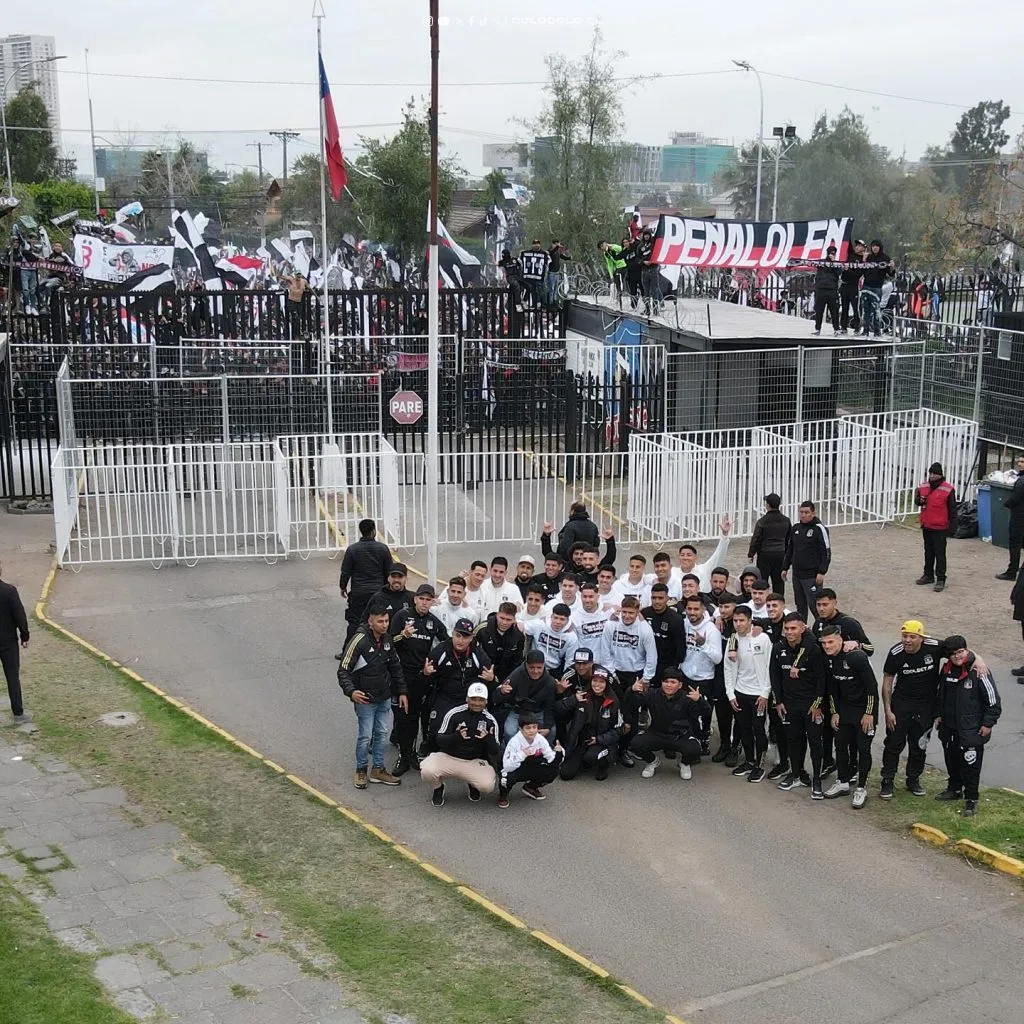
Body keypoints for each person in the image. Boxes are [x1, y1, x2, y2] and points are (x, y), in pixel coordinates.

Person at [337, 599, 407, 789]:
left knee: (381, 734)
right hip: (365, 699)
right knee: (365, 736)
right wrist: (351, 692)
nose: (384, 625)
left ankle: (378, 769)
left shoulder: (387, 640)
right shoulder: (359, 640)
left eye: (386, 621)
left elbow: (395, 666)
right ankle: (361, 770)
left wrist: (402, 691)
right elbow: (343, 670)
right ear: (370, 622)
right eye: (380, 621)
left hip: (384, 697)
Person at [935, 635, 1001, 816]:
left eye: (960, 652)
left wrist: (988, 723)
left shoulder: (979, 670)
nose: (957, 656)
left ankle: (971, 799)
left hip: (971, 730)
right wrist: (938, 715)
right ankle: (954, 789)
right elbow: (941, 694)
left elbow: (993, 702)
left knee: (971, 767)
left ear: (966, 650)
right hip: (948, 727)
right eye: (953, 654)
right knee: (951, 761)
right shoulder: (946, 669)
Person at [879, 620, 943, 799]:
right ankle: (887, 780)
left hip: (926, 706)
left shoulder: (935, 646)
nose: (907, 640)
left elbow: (958, 649)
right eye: (904, 636)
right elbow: (887, 682)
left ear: (921, 638)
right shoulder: (896, 652)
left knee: (919, 745)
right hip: (902, 704)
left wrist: (978, 660)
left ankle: (913, 780)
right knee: (893, 744)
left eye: (912, 637)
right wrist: (888, 710)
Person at [389, 584, 448, 773]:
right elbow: (388, 642)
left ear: (432, 602)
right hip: (401, 675)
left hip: (422, 676)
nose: (424, 602)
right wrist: (402, 635)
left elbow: (447, 643)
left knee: (415, 716)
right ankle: (403, 756)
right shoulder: (402, 616)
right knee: (402, 717)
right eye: (421, 598)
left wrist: (434, 664)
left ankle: (412, 754)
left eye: (428, 599)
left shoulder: (433, 622)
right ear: (415, 599)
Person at [820, 625, 878, 808]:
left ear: (840, 640)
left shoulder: (856, 657)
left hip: (864, 710)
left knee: (863, 749)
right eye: (824, 643)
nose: (827, 646)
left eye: (831, 642)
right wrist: (835, 712)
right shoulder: (829, 660)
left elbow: (872, 688)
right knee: (841, 746)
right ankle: (843, 782)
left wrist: (869, 713)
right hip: (845, 710)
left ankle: (861, 788)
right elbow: (832, 690)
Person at [771, 614, 827, 798]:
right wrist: (778, 701)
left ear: (802, 628)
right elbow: (775, 676)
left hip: (811, 706)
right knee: (793, 741)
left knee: (815, 742)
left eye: (793, 628)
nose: (789, 632)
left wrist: (817, 704)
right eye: (786, 629)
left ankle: (816, 780)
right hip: (789, 705)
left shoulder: (814, 650)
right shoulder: (778, 648)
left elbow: (822, 680)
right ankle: (796, 774)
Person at [421, 682, 501, 807]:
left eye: (481, 700)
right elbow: (439, 739)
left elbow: (495, 751)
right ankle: (438, 788)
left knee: (487, 785)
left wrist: (488, 738)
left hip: (473, 761)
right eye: (473, 699)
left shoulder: (490, 721)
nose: (476, 703)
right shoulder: (454, 713)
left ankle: (472, 784)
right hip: (449, 758)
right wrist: (456, 737)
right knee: (427, 771)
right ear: (467, 699)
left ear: (486, 702)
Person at [626, 668, 707, 780]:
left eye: (673, 682)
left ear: (680, 685)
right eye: (666, 681)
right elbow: (632, 704)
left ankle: (684, 764)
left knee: (695, 749)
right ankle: (652, 762)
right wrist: (632, 690)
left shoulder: (687, 698)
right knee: (636, 743)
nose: (668, 685)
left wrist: (700, 700)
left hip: (680, 736)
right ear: (661, 682)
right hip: (656, 733)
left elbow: (706, 713)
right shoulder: (653, 694)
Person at [425, 619, 494, 745]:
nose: (460, 641)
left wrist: (491, 679)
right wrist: (425, 674)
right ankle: (430, 750)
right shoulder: (441, 650)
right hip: (445, 696)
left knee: (470, 731)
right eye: (458, 635)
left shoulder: (478, 654)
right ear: (452, 633)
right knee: (435, 728)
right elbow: (425, 680)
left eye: (465, 637)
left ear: (471, 638)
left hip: (467, 700)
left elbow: (489, 683)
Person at [724, 605, 773, 783]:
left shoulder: (763, 638)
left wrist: (765, 693)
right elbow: (727, 669)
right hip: (740, 693)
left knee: (759, 729)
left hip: (758, 695)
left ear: (750, 620)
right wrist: (731, 694)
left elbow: (769, 667)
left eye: (741, 620)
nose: (738, 624)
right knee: (743, 728)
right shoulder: (732, 640)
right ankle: (749, 761)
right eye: (735, 621)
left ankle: (759, 766)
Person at [337, 519, 393, 654]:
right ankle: (382, 649)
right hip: (378, 593)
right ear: (374, 531)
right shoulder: (383, 549)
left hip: (358, 593)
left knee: (355, 623)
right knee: (380, 622)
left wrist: (343, 587)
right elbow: (389, 572)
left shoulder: (352, 549)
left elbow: (345, 571)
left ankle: (348, 651)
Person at [558, 666, 622, 781]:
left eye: (601, 681)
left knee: (591, 757)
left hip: (602, 742)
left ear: (607, 684)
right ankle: (583, 761)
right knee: (565, 774)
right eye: (595, 680)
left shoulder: (614, 702)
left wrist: (599, 739)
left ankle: (603, 766)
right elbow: (558, 709)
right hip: (583, 741)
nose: (597, 684)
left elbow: (619, 730)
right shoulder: (583, 697)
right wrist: (572, 699)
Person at [680, 595, 723, 754]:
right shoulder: (684, 623)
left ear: (703, 609)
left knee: (704, 712)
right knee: (687, 711)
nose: (692, 612)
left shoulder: (711, 630)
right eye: (689, 609)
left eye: (696, 609)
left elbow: (718, 658)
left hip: (705, 679)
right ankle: (691, 737)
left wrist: (703, 644)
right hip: (686, 675)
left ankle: (704, 738)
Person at [498, 713, 564, 807]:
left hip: (531, 764)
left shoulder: (540, 739)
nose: (532, 731)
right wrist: (522, 754)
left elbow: (551, 760)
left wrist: (559, 753)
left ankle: (530, 787)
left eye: (534, 727)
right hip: (514, 766)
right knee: (506, 777)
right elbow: (507, 766)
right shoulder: (514, 742)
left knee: (553, 771)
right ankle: (503, 795)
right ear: (521, 729)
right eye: (528, 728)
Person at [782, 501, 831, 622]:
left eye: (806, 512)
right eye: (801, 512)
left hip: (811, 575)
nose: (803, 515)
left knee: (815, 606)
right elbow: (790, 549)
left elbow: (826, 552)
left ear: (813, 513)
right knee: (800, 605)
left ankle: (822, 628)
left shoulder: (819, 529)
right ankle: (801, 630)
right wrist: (785, 567)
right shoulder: (796, 528)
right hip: (797, 574)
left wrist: (822, 572)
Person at [493, 650, 557, 741]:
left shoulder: (550, 681)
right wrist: (502, 692)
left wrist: (547, 726)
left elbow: (549, 705)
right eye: (532, 667)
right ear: (526, 665)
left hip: (538, 711)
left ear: (544, 666)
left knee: (552, 731)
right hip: (518, 710)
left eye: (539, 667)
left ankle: (546, 752)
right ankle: (511, 752)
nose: (535, 671)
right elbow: (495, 698)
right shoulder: (516, 675)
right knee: (509, 731)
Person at [914, 462, 957, 592]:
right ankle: (928, 574)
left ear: (940, 475)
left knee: (940, 553)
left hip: (940, 527)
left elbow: (953, 510)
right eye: (930, 473)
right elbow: (916, 501)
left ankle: (941, 578)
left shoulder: (948, 489)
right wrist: (919, 501)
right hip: (927, 525)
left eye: (934, 474)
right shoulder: (923, 487)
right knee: (928, 551)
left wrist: (952, 528)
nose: (932, 476)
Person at [0, 564, 30, 724]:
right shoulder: (9, 592)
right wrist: (24, 636)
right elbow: (19, 615)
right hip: (7, 642)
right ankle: (18, 713)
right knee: (12, 676)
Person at [671, 517, 732, 592]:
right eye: (682, 555)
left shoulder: (704, 570)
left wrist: (724, 536)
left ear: (696, 557)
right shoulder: (672, 572)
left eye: (689, 555)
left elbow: (718, 556)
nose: (685, 558)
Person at [747, 493, 792, 596]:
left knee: (762, 582)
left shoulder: (762, 521)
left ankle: (762, 602)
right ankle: (779, 602)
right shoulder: (786, 520)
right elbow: (789, 539)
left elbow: (756, 539)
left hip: (764, 555)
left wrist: (751, 554)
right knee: (779, 583)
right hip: (780, 554)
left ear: (767, 505)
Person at [642, 583, 687, 685]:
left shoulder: (676, 620)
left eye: (660, 598)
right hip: (645, 664)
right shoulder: (644, 614)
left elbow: (680, 649)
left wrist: (672, 670)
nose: (657, 601)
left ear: (667, 598)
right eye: (654, 598)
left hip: (665, 667)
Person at [474, 602, 525, 683]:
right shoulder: (482, 629)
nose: (504, 623)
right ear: (497, 615)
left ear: (514, 620)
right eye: (502, 618)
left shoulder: (518, 636)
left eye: (509, 619)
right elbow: (471, 651)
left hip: (504, 678)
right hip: (481, 674)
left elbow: (517, 663)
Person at [523, 604, 579, 675]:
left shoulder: (571, 636)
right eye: (555, 618)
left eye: (562, 619)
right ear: (551, 616)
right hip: (533, 665)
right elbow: (522, 626)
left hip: (554, 669)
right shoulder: (540, 624)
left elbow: (570, 662)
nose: (558, 622)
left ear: (567, 620)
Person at [996, 453, 1024, 580]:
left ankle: (1012, 571)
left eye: (1022, 462)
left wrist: (1006, 503)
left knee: (1015, 544)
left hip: (1019, 516)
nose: (1019, 464)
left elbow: (1015, 498)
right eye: (1019, 461)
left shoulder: (1021, 481)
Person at [859, 239, 893, 338]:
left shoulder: (885, 258)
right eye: (873, 246)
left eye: (877, 246)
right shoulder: (868, 257)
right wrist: (864, 261)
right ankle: (865, 330)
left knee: (876, 311)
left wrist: (892, 267)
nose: (875, 248)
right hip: (866, 286)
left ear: (880, 247)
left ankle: (877, 331)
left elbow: (890, 274)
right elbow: (862, 271)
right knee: (866, 310)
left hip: (877, 287)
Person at [812, 245, 842, 336]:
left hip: (832, 290)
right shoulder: (821, 262)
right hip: (821, 290)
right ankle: (817, 329)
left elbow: (839, 273)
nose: (831, 254)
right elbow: (813, 264)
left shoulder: (837, 264)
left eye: (833, 253)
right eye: (830, 253)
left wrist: (833, 262)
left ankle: (836, 329)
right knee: (819, 310)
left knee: (834, 311)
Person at [839, 239, 865, 335]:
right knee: (844, 307)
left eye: (859, 246)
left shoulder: (863, 260)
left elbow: (858, 275)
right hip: (844, 285)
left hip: (853, 286)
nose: (857, 247)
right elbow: (848, 243)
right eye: (856, 245)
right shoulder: (851, 255)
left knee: (855, 308)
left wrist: (848, 269)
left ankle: (857, 327)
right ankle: (843, 327)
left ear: (863, 248)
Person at [518, 239, 550, 308]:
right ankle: (533, 303)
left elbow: (549, 261)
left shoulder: (544, 254)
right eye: (535, 244)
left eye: (537, 244)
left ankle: (542, 305)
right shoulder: (527, 253)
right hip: (529, 277)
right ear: (532, 245)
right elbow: (520, 260)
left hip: (539, 276)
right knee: (531, 289)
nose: (536, 245)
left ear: (540, 245)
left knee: (541, 291)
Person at [546, 238, 571, 306]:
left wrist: (569, 258)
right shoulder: (550, 251)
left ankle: (555, 300)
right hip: (551, 272)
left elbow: (563, 257)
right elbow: (551, 252)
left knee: (556, 288)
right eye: (556, 244)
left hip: (557, 272)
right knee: (551, 288)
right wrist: (557, 247)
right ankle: (550, 302)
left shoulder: (558, 252)